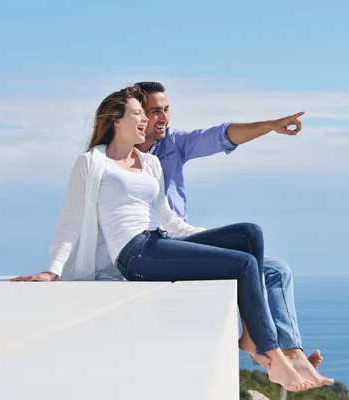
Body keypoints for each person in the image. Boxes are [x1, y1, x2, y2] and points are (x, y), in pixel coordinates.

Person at [11, 85, 332, 391]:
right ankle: (272, 355)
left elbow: (169, 221)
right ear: (116, 121)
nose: (147, 121)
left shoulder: (149, 163)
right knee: (245, 264)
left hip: (158, 239)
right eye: (139, 113)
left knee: (249, 235)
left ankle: (253, 336)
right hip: (133, 253)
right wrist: (52, 268)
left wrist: (215, 242)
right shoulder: (93, 163)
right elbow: (70, 221)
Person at [132, 81, 324, 372]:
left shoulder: (173, 144)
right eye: (155, 111)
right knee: (251, 245)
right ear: (138, 115)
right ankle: (267, 350)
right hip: (155, 247)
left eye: (167, 110)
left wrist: (271, 125)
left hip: (185, 238)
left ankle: (288, 352)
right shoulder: (118, 157)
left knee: (276, 270)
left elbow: (221, 135)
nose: (164, 118)